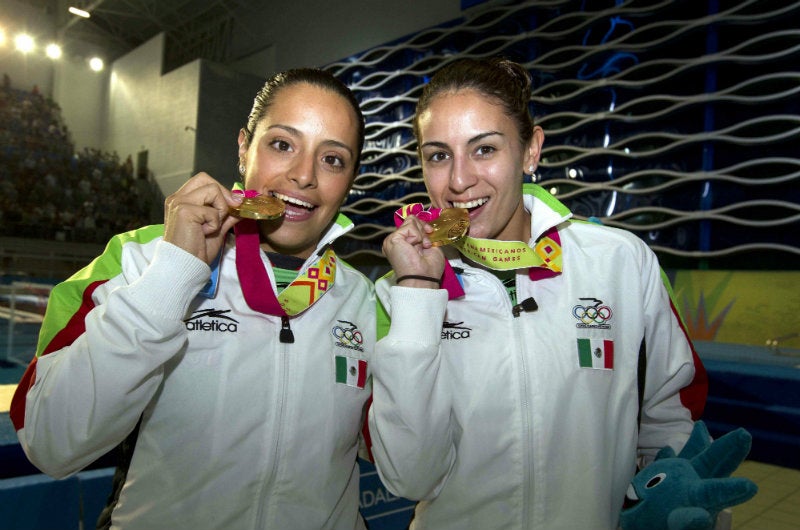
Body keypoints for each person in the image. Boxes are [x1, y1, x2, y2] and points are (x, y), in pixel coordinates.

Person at [10, 68, 375, 530]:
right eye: (282, 144)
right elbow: (48, 441)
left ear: (351, 178)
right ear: (244, 147)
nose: (303, 175)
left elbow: (404, 462)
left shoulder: (366, 301)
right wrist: (173, 276)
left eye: (333, 159)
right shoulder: (138, 259)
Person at [368, 57, 708, 529]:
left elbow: (671, 415)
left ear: (531, 150)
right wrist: (421, 292)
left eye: (484, 149)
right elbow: (409, 477)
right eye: (438, 155)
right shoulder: (399, 294)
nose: (460, 180)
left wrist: (664, 496)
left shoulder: (620, 262)